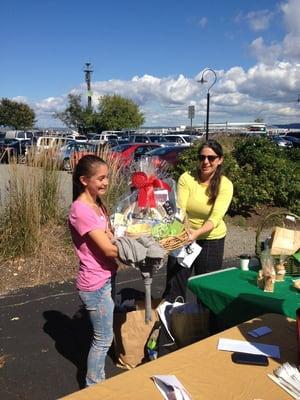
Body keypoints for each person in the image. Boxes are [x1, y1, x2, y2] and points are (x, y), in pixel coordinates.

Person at [68, 154, 118, 386]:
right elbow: (108, 250)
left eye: (107, 177)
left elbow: (108, 236)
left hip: (107, 276)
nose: (105, 182)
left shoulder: (96, 204)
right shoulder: (81, 209)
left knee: (103, 336)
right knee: (103, 339)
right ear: (84, 180)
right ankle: (94, 386)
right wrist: (140, 252)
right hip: (95, 283)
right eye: (100, 178)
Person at [163, 140, 233, 302]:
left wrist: (198, 233)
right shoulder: (186, 178)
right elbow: (180, 209)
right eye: (202, 157)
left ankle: (206, 325)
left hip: (211, 239)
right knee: (174, 286)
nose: (206, 162)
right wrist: (180, 232)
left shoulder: (225, 185)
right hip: (184, 236)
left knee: (207, 290)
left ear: (220, 160)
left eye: (211, 158)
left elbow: (216, 217)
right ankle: (172, 321)